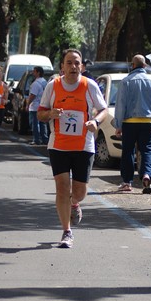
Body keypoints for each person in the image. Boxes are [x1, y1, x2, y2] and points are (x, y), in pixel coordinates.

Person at [38, 48, 107, 248]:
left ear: (82, 67)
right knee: (61, 188)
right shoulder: (53, 86)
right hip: (58, 145)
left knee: (79, 191)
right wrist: (50, 113)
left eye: (77, 63)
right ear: (62, 67)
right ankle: (67, 231)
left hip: (83, 146)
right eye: (69, 63)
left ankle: (74, 203)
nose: (73, 66)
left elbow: (103, 110)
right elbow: (40, 114)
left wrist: (95, 121)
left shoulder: (89, 85)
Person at [114, 54, 151, 194]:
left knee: (128, 151)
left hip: (129, 123)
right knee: (147, 150)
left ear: (132, 65)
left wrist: (118, 125)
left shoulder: (126, 82)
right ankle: (147, 175)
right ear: (145, 66)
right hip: (148, 122)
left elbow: (120, 105)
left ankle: (127, 182)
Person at [27, 66, 48, 145]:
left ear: (38, 72)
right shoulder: (45, 82)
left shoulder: (36, 83)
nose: (33, 73)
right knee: (42, 123)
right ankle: (44, 139)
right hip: (43, 105)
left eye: (34, 71)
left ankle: (36, 139)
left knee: (34, 123)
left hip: (35, 106)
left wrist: (28, 104)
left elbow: (33, 95)